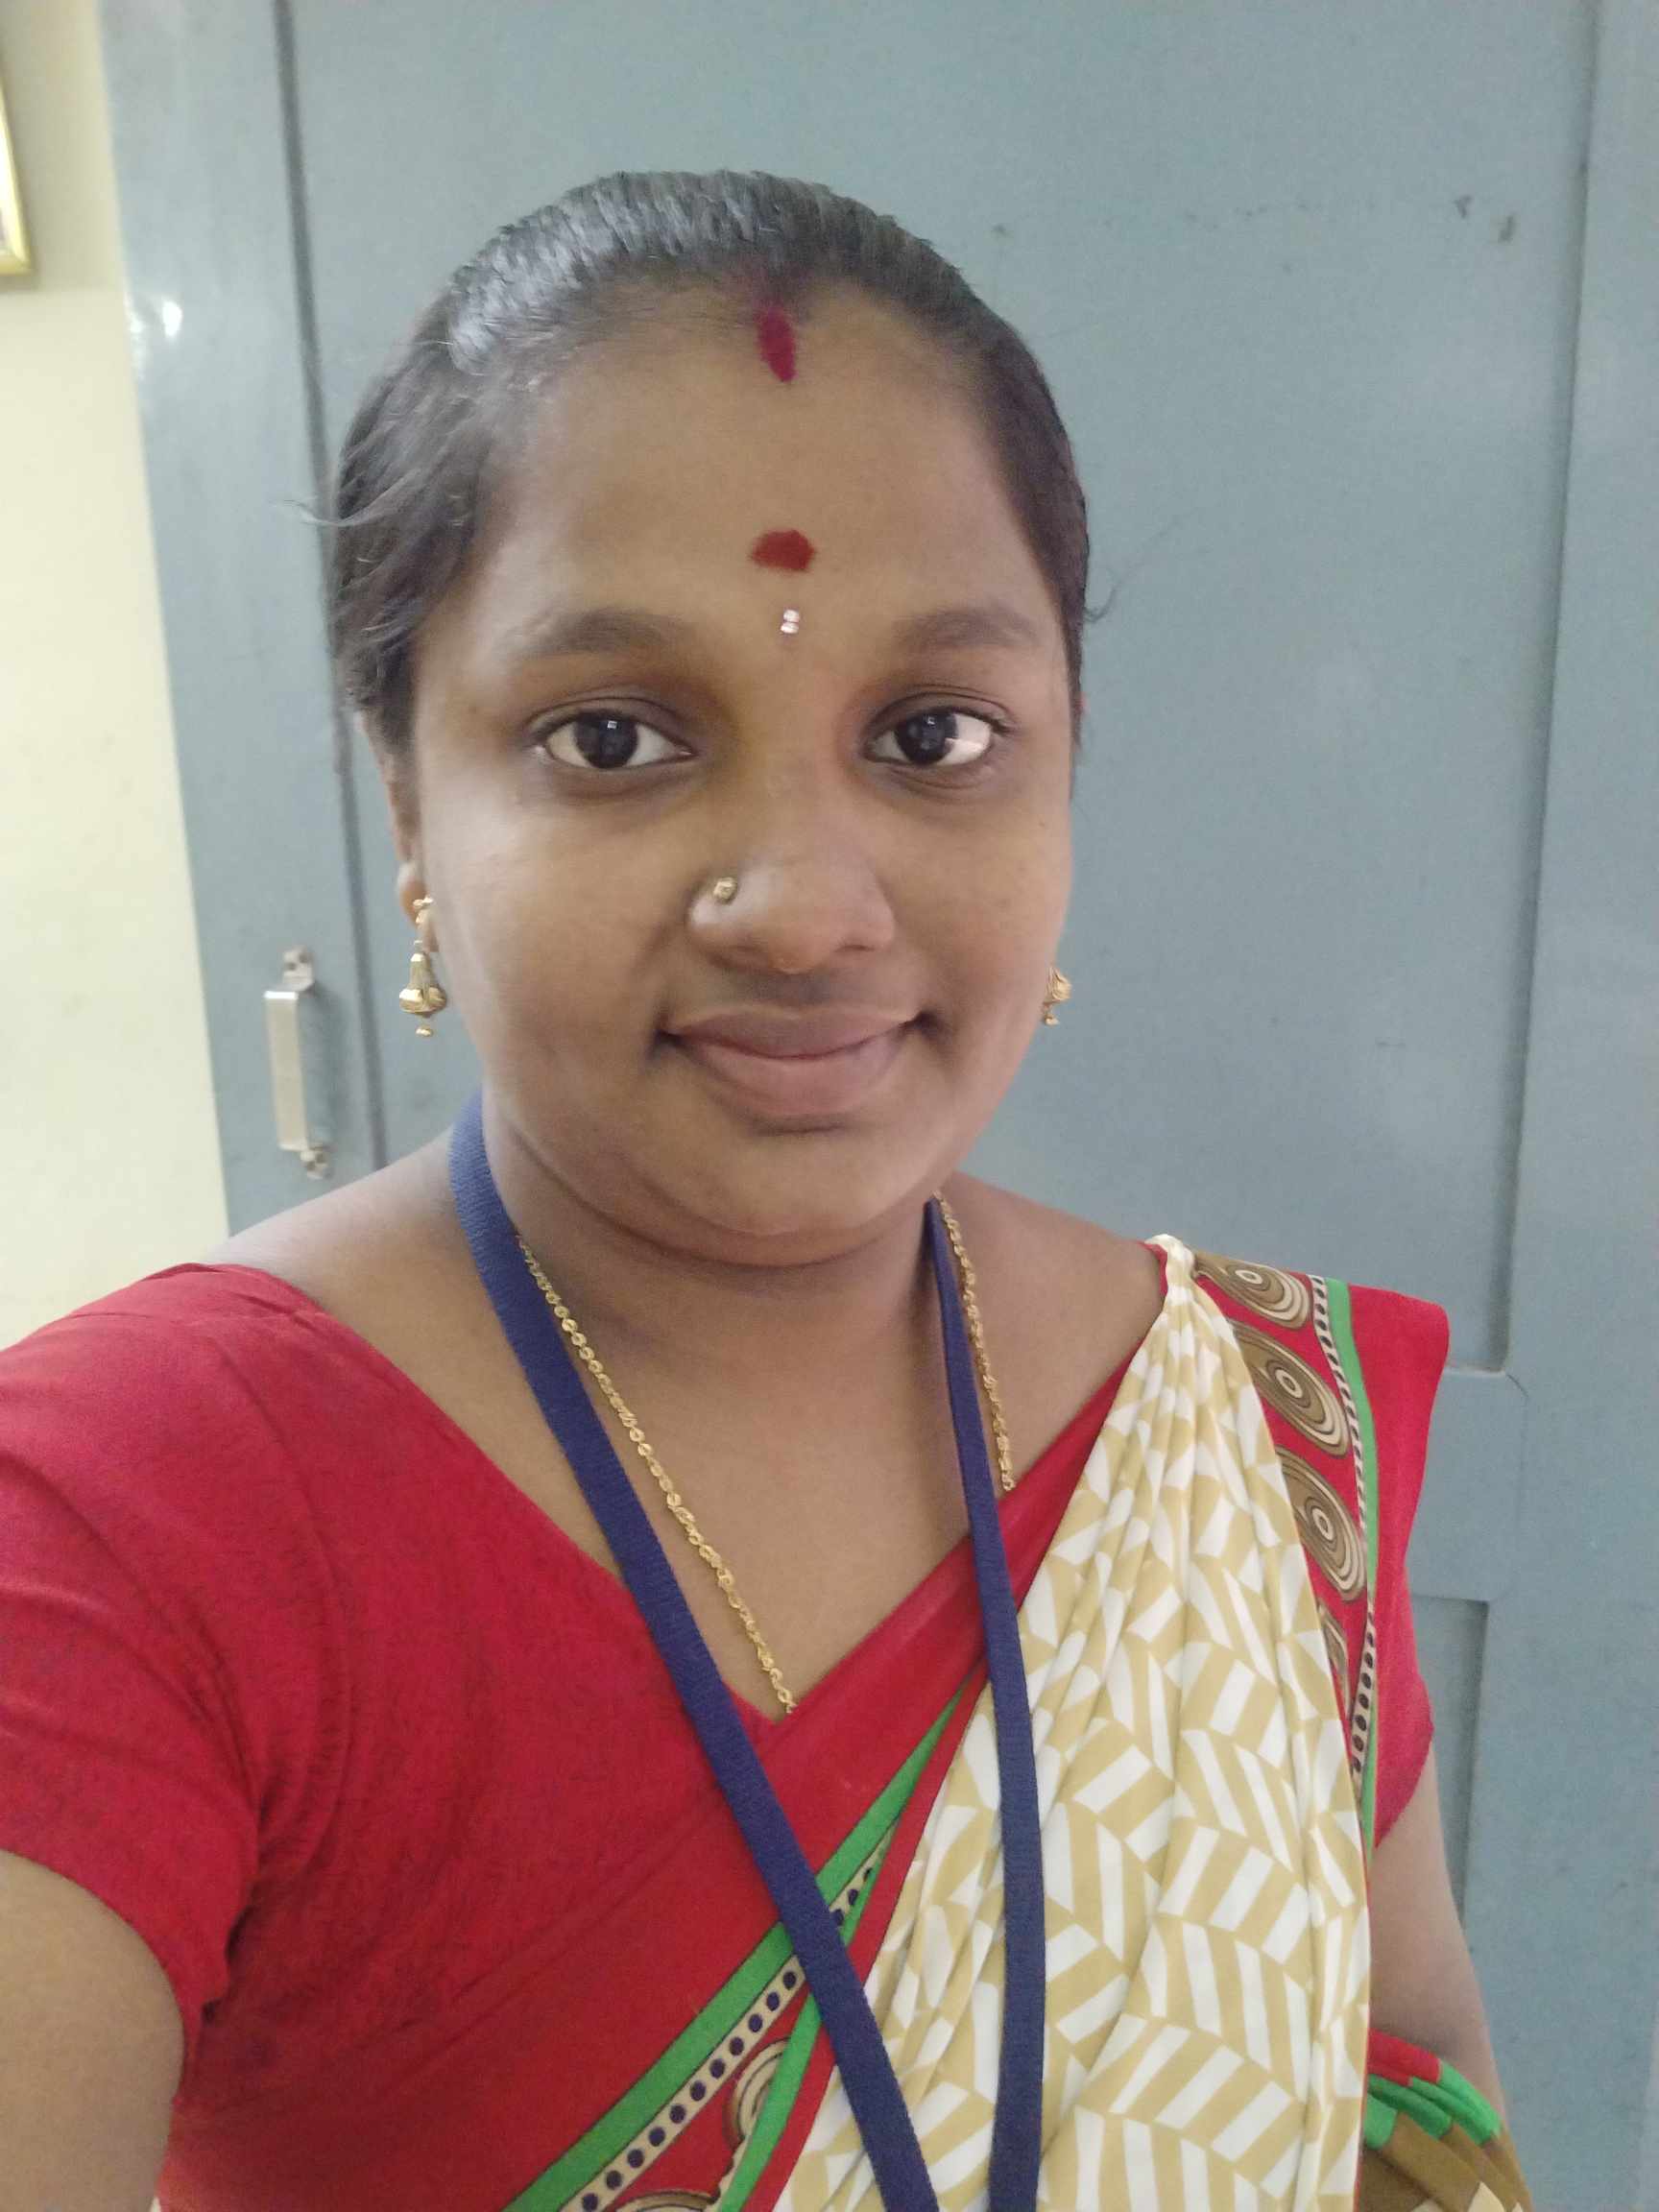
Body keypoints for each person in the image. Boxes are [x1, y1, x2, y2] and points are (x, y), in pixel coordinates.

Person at [0, 172, 1529, 2212]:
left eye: (935, 732)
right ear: (409, 809)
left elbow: (1417, 2123)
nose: (806, 910)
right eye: (611, 736)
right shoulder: (117, 1522)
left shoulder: (1244, 1431)